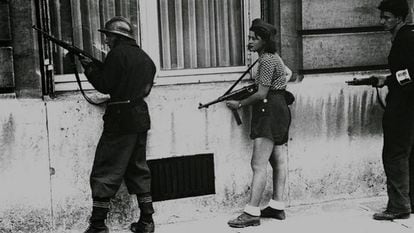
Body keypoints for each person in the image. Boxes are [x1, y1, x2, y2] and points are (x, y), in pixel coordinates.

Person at [79, 16, 157, 233]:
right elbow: (140, 87)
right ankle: (147, 221)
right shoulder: (145, 58)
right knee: (138, 168)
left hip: (120, 120)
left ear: (116, 37)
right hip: (140, 117)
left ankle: (97, 225)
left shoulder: (116, 55)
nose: (106, 41)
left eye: (108, 37)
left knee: (106, 170)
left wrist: (89, 68)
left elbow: (106, 85)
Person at [226, 18, 292, 228]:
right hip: (280, 108)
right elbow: (287, 74)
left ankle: (252, 212)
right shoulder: (274, 57)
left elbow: (261, 93)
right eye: (249, 38)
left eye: (254, 38)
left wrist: (239, 104)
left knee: (258, 164)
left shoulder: (265, 60)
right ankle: (277, 206)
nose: (249, 42)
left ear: (264, 41)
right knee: (278, 161)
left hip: (268, 111)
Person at [370, 0, 414, 221]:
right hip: (409, 106)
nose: (382, 21)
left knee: (394, 155)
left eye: (387, 17)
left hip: (403, 106)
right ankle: (409, 201)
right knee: (408, 153)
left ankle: (398, 206)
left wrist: (389, 80)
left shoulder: (405, 39)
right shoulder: (409, 35)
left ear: (400, 17)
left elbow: (409, 74)